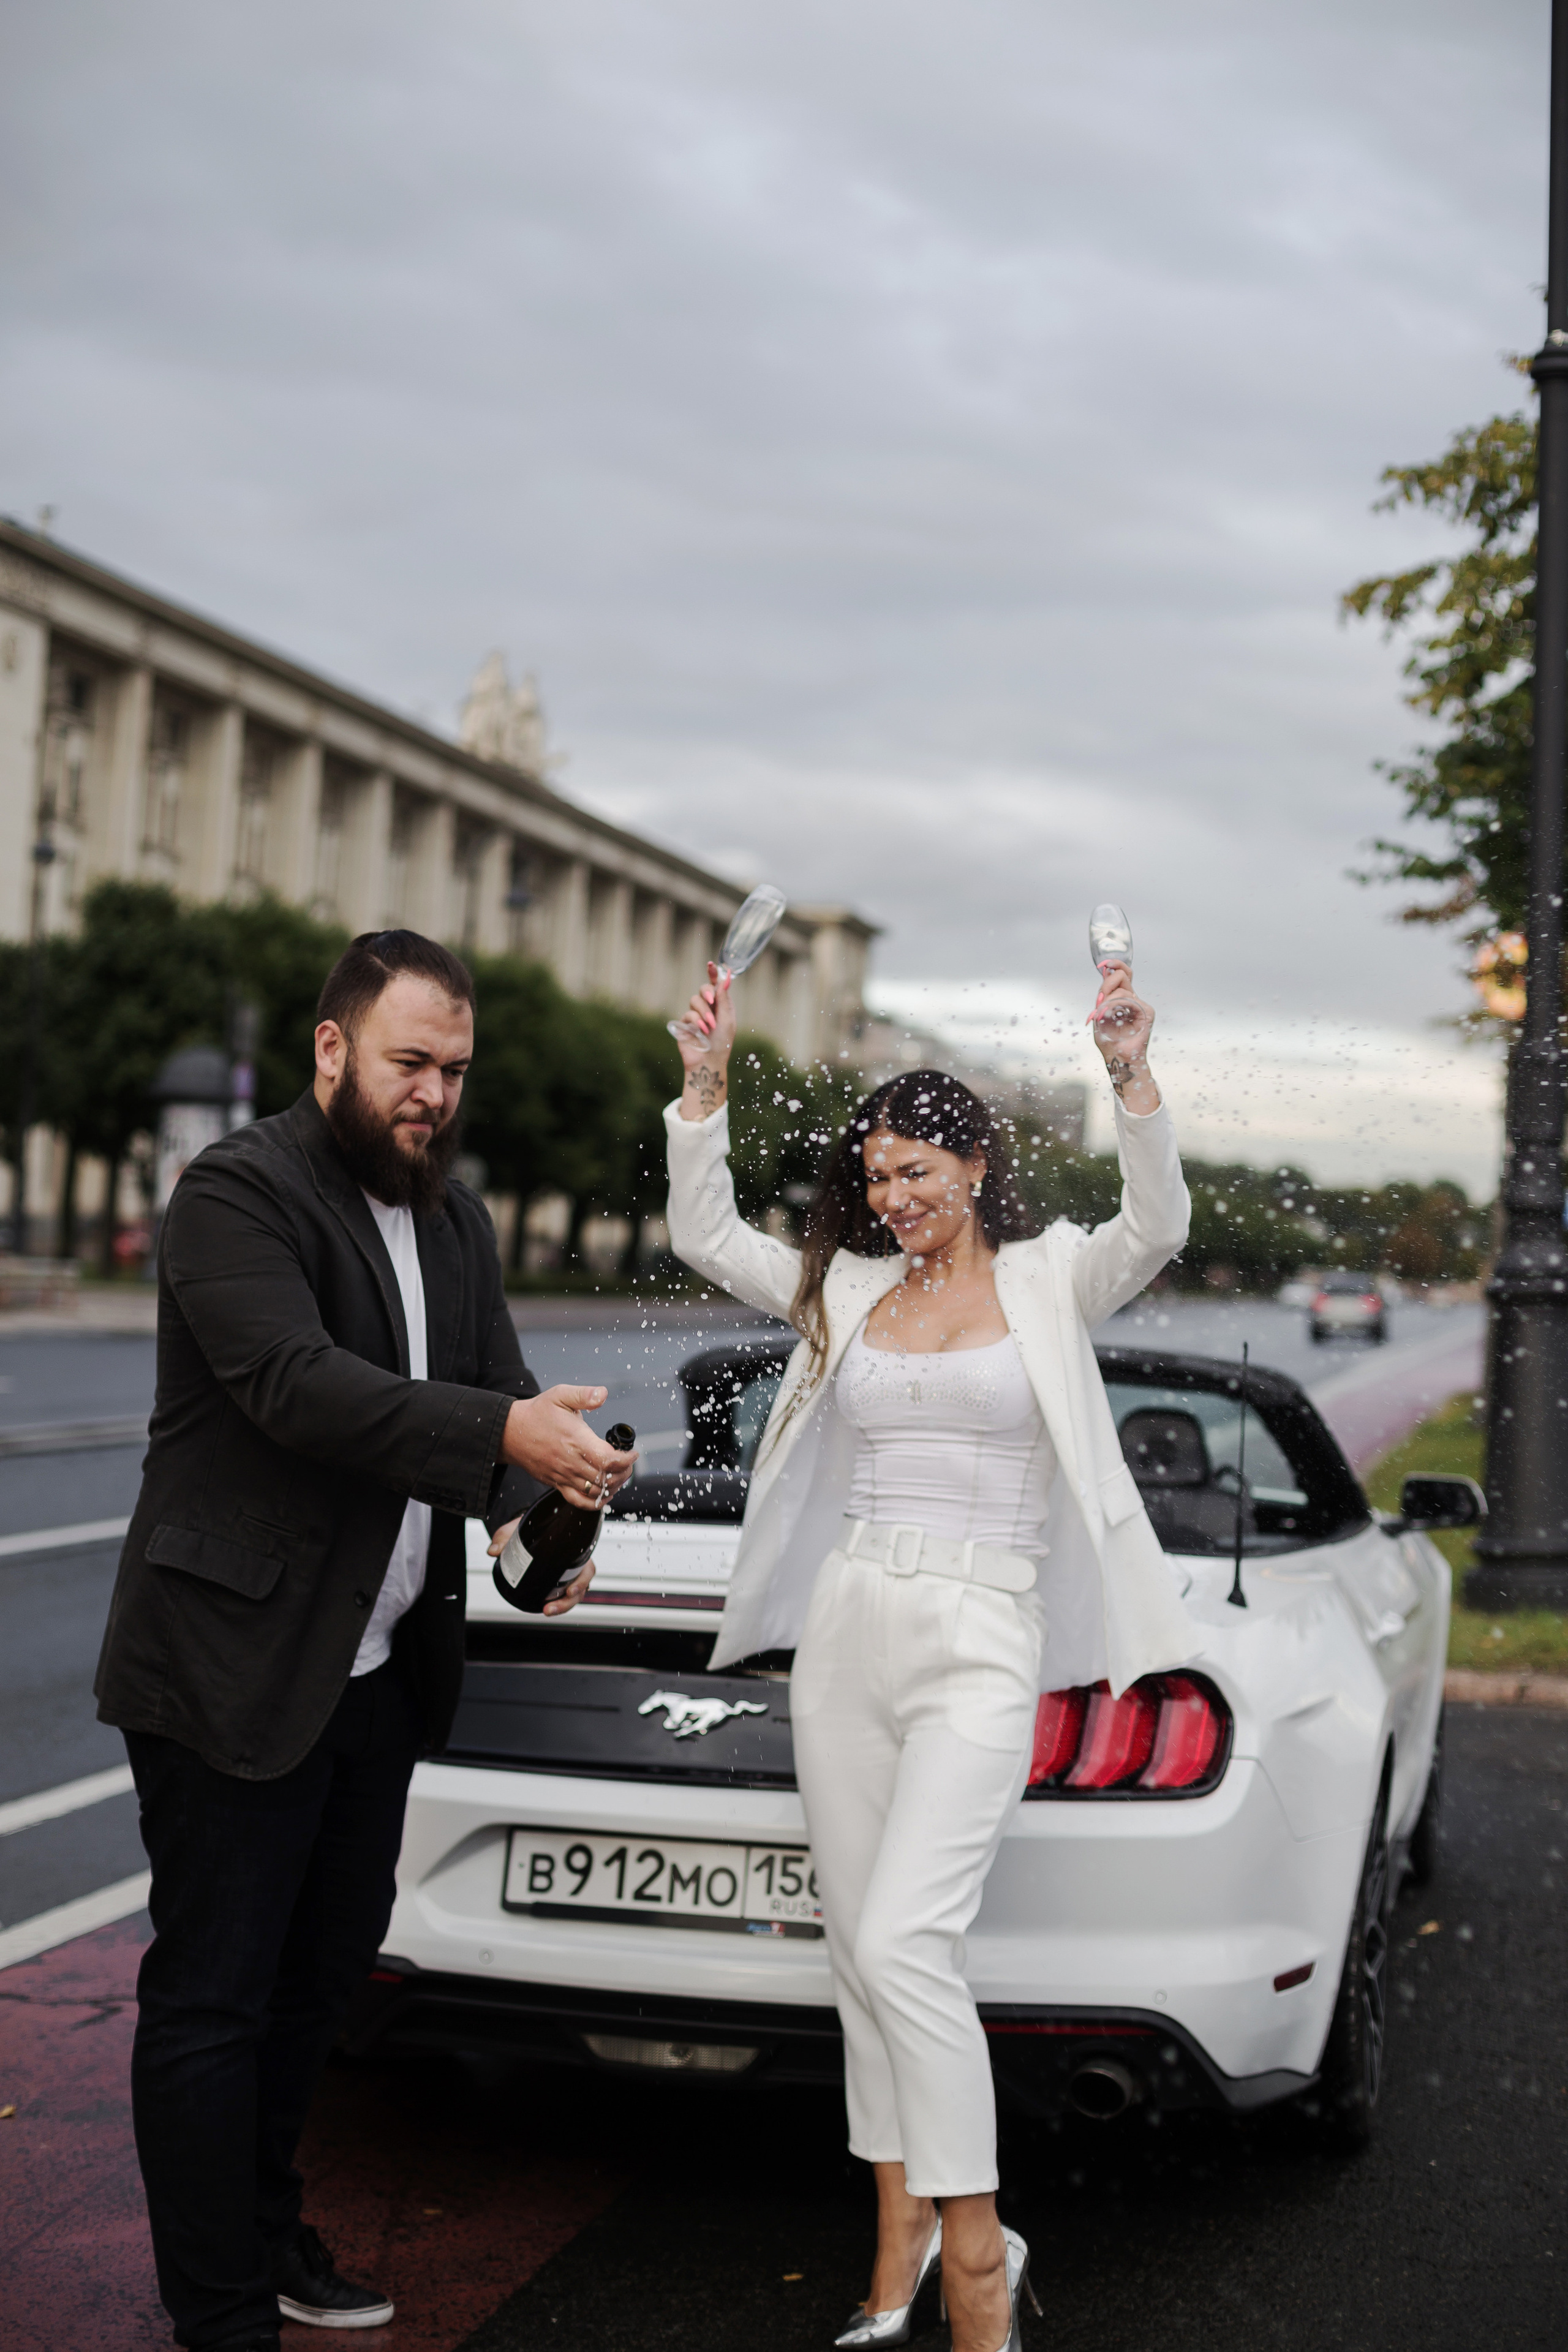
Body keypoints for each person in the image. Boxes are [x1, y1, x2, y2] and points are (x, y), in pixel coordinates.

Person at [95, 929, 635, 2352]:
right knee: (213, 1997)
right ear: (331, 1049)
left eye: (454, 1070)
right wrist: (496, 1437)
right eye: (409, 1062)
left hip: (378, 1674)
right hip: (231, 1669)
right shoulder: (234, 1194)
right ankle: (217, 2313)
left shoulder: (452, 1226)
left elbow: (503, 1401)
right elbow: (297, 1389)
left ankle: (267, 2238)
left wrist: (554, 1497)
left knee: (319, 1988)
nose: (433, 1095)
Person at [665, 955, 1193, 2352]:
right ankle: (892, 2233)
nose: (892, 1197)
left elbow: (1160, 1218)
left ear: (971, 1162)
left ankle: (974, 2257)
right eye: (874, 1176)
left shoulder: (1050, 1275)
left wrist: (1129, 1074)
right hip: (849, 1630)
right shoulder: (842, 1288)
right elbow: (702, 1230)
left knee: (908, 1936)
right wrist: (703, 1090)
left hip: (980, 1634)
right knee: (861, 1951)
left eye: (914, 1171)